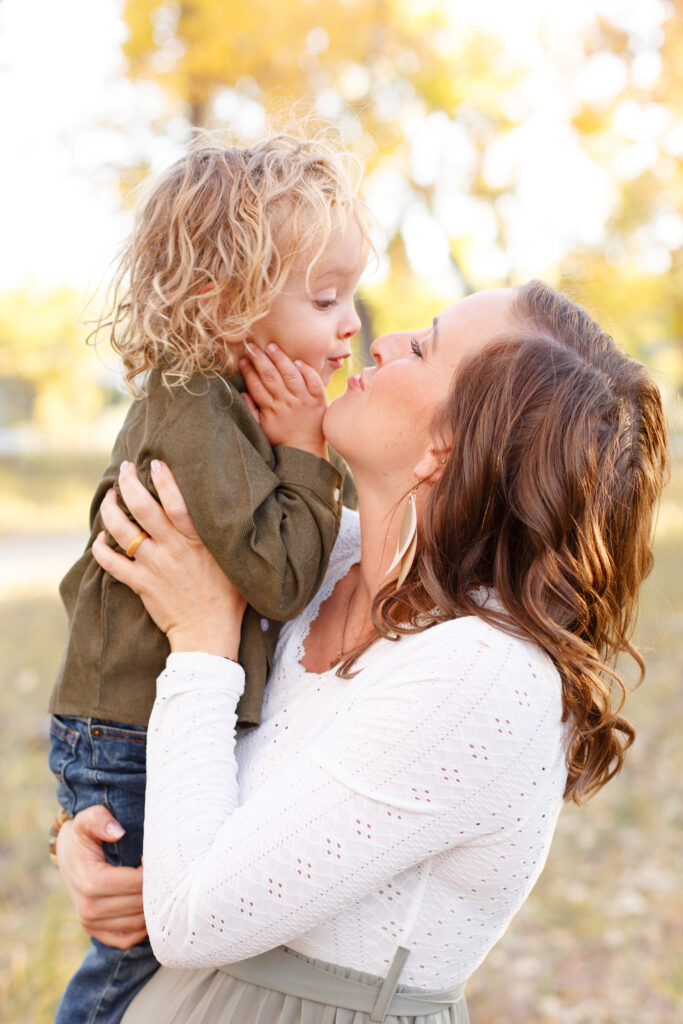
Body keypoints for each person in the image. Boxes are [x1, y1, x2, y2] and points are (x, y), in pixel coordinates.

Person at [55, 282, 668, 1023]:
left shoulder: (483, 674)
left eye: (423, 346)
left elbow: (194, 922)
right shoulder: (305, 557)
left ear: (445, 447)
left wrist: (203, 640)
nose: (381, 340)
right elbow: (188, 802)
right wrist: (88, 844)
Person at [47, 131, 371, 1023]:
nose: (351, 322)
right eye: (323, 297)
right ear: (225, 307)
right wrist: (307, 447)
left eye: (351, 293)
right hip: (128, 735)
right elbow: (277, 579)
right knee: (134, 964)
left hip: (135, 726)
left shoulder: (221, 409)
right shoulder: (194, 412)